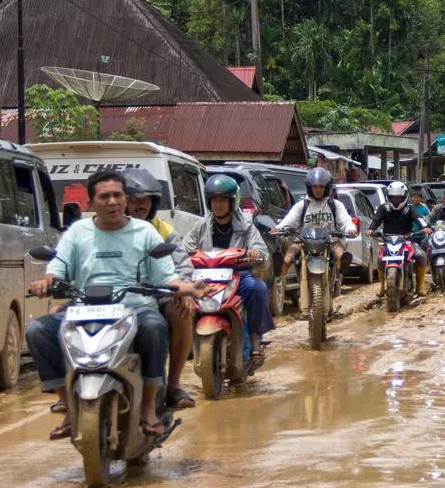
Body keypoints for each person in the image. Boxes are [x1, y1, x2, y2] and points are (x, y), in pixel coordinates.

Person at [26, 170, 207, 441]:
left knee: (155, 326)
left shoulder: (145, 232)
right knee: (37, 330)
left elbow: (166, 276)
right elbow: (58, 266)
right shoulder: (77, 232)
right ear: (91, 203)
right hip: (84, 309)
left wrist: (191, 288)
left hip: (135, 308)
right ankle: (67, 404)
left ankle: (149, 406)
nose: (112, 201)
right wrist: (47, 281)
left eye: (117, 195)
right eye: (104, 196)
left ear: (125, 200)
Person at [122, 168, 196, 410]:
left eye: (146, 200)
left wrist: (184, 293)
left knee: (183, 311)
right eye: (134, 199)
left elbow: (182, 265)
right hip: (112, 297)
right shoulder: (103, 227)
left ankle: (173, 385)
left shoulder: (163, 230)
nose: (140, 205)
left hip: (156, 295)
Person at [183, 174, 275, 364]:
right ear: (209, 202)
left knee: (258, 289)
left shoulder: (247, 225)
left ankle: (256, 337)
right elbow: (184, 248)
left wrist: (255, 254)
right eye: (215, 199)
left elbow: (262, 251)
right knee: (180, 297)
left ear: (233, 201)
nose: (219, 204)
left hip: (237, 276)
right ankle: (185, 342)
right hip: (205, 278)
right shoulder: (200, 226)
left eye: (224, 199)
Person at [271, 167, 357, 315]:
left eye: (321, 187)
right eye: (315, 187)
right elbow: (289, 221)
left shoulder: (335, 205)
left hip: (329, 240)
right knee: (292, 248)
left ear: (327, 188)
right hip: (305, 241)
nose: (318, 190)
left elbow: (346, 221)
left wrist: (351, 228)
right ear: (310, 187)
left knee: (337, 245)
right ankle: (282, 266)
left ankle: (342, 262)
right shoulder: (302, 205)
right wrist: (278, 228)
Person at [367, 181, 429, 296]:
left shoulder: (409, 208)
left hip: (408, 240)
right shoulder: (384, 208)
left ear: (404, 197)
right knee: (380, 259)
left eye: (399, 198)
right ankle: (382, 286)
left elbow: (418, 218)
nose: (396, 200)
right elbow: (376, 220)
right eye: (393, 198)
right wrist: (371, 229)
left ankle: (420, 286)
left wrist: (425, 227)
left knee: (421, 255)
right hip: (388, 241)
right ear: (389, 197)